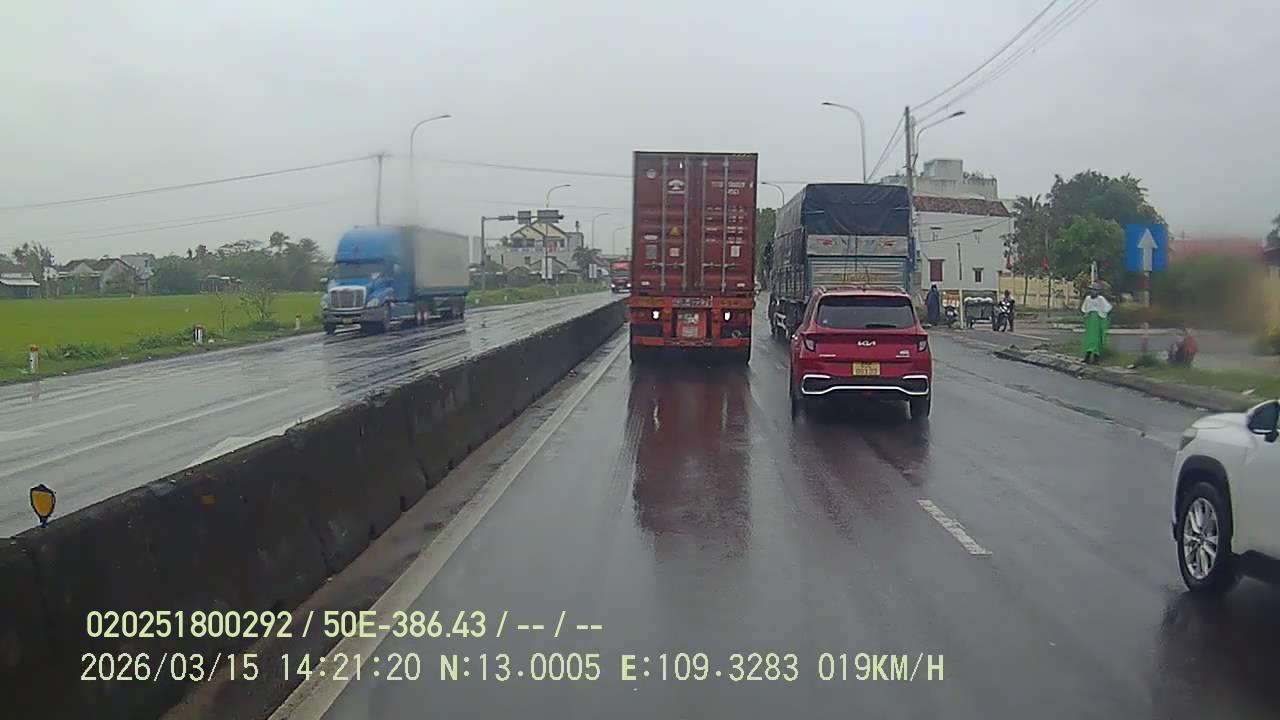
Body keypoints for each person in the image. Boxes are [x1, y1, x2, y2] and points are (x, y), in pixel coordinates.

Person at [1080, 282, 1112, 364]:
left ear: (1098, 291)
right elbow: (1084, 308)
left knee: (1097, 340)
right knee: (1089, 339)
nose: (1093, 292)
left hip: (1098, 320)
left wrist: (1100, 314)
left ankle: (1096, 357)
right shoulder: (1088, 298)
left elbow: (1107, 308)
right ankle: (1087, 356)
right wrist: (1086, 315)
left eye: (1095, 290)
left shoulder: (1101, 299)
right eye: (1092, 290)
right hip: (1090, 320)